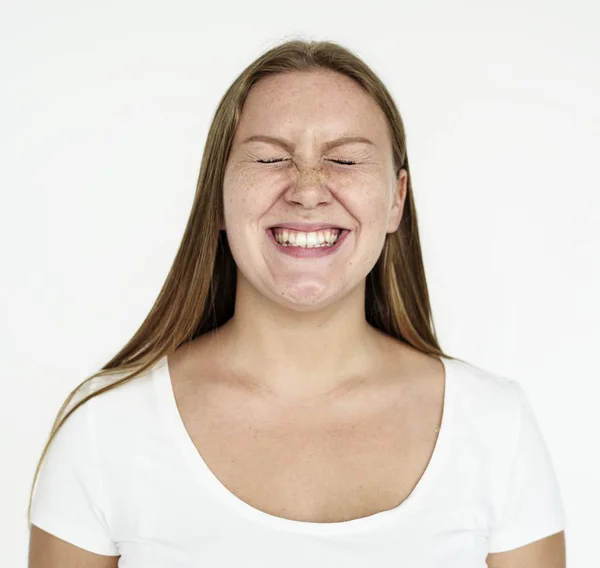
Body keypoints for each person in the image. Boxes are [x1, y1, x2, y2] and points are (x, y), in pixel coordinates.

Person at [27, 39, 566, 567]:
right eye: (269, 157)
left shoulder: (497, 428)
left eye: (347, 161)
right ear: (217, 196)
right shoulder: (104, 427)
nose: (308, 190)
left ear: (396, 200)